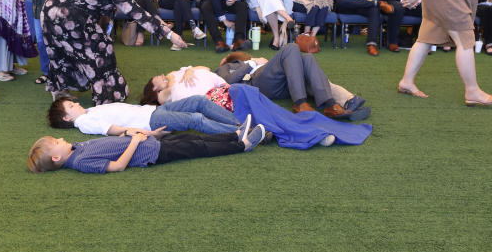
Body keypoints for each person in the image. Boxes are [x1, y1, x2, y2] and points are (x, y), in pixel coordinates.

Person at [41, 0, 186, 102]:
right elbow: (140, 15)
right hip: (73, 20)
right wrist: (170, 34)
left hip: (49, 11)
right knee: (102, 51)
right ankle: (105, 96)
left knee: (61, 51)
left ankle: (60, 89)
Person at [140, 70, 372, 150]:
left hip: (230, 91)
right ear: (154, 89)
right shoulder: (165, 98)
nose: (161, 76)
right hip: (221, 102)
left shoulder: (179, 76)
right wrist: (171, 77)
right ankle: (313, 134)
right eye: (156, 79)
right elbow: (168, 89)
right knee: (265, 115)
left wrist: (188, 70)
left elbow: (196, 68)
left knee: (274, 112)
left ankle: (312, 130)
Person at [28, 124, 267, 175]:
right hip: (151, 153)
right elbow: (117, 166)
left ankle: (234, 134)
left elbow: (109, 145)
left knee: (192, 137)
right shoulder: (81, 162)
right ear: (57, 157)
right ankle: (242, 146)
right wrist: (134, 142)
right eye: (57, 141)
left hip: (147, 142)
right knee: (196, 147)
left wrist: (128, 134)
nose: (61, 138)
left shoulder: (77, 148)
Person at [216, 48, 370, 120]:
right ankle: (300, 103)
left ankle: (330, 104)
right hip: (257, 82)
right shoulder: (225, 67)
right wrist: (253, 63)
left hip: (280, 83)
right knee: (291, 47)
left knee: (307, 58)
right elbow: (228, 81)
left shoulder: (250, 60)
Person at [48, 93, 245, 137]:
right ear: (67, 118)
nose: (77, 104)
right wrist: (148, 134)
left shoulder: (89, 112)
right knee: (196, 119)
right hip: (150, 120)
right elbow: (113, 130)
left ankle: (239, 125)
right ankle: (240, 133)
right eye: (71, 106)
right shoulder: (84, 122)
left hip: (152, 111)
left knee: (198, 101)